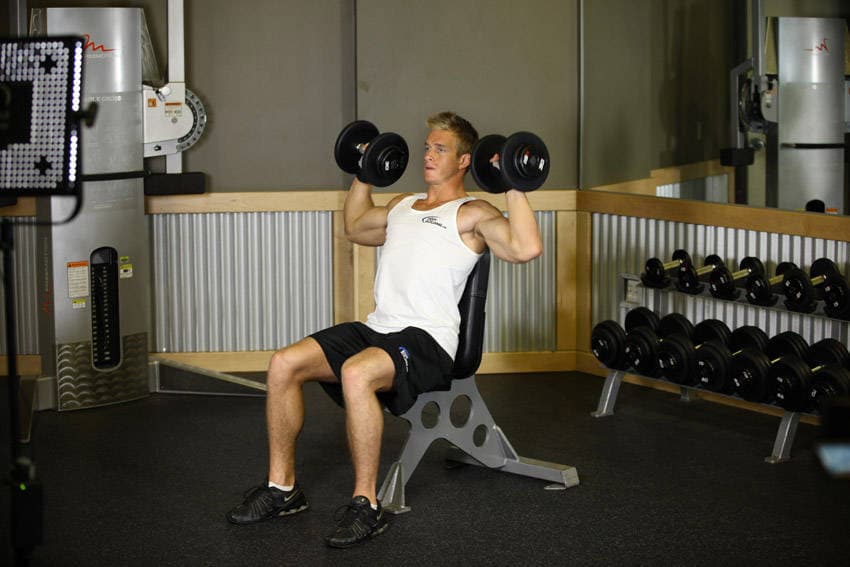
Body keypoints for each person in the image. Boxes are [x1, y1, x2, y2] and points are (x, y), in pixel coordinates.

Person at [226, 111, 543, 548]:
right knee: (284, 364)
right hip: (379, 329)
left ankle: (366, 505)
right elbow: (355, 226)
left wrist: (512, 181)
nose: (428, 155)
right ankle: (282, 489)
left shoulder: (472, 213)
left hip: (427, 339)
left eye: (440, 149)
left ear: (464, 161)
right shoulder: (402, 206)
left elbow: (525, 248)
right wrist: (365, 171)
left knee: (357, 372)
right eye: (427, 147)